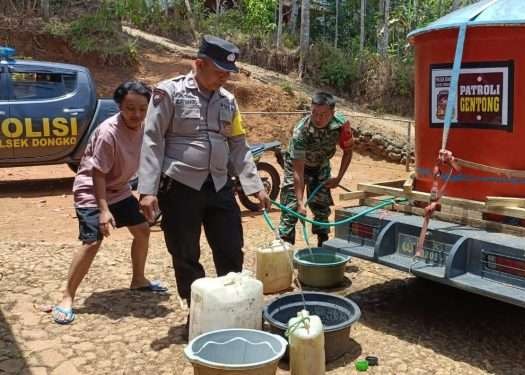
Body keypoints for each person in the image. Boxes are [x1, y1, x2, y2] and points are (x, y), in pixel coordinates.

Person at [137, 35, 270, 310]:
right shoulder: (169, 92)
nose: (224, 78)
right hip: (180, 187)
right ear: (199, 63)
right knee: (185, 253)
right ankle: (197, 312)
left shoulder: (228, 101)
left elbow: (238, 144)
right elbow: (152, 140)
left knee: (231, 248)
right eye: (219, 72)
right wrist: (147, 191)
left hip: (220, 185)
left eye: (228, 73)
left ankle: (232, 307)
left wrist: (254, 185)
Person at [51, 80, 166, 325]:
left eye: (142, 109)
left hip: (119, 190)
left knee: (143, 231)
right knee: (92, 241)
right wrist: (104, 211)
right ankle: (66, 297)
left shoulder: (146, 128)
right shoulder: (108, 132)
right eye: (130, 108)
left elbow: (150, 160)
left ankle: (139, 280)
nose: (136, 114)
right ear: (119, 107)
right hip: (92, 191)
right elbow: (97, 174)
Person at [278, 92, 354, 247]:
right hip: (298, 166)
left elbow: (348, 151)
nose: (318, 118)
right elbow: (298, 172)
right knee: (291, 207)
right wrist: (300, 202)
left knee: (321, 205)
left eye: (323, 114)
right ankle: (285, 246)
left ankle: (323, 245)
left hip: (321, 165)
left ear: (332, 113)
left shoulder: (341, 125)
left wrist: (338, 178)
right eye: (314, 113)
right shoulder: (301, 131)